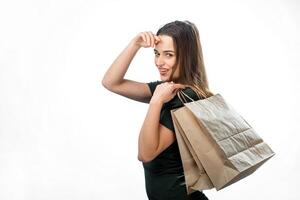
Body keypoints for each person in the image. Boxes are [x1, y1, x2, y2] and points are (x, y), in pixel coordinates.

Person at [102, 20, 214, 200]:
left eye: (168, 55)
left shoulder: (187, 97)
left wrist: (155, 102)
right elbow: (111, 82)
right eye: (156, 53)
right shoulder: (168, 88)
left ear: (187, 56)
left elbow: (145, 153)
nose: (159, 62)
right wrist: (135, 44)